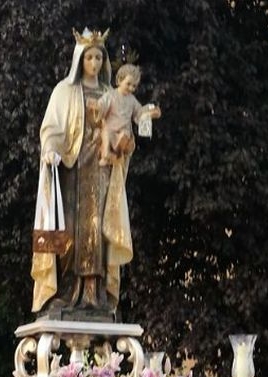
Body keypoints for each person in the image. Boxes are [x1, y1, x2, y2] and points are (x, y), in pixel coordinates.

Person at [31, 28, 134, 317]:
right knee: (70, 230)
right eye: (89, 57)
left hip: (100, 171)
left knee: (98, 230)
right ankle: (65, 292)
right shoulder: (64, 91)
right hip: (71, 170)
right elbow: (51, 127)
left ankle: (94, 292)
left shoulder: (111, 94)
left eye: (99, 57)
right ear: (80, 59)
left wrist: (124, 144)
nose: (95, 63)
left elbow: (122, 128)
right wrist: (51, 148)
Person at [96, 63, 161, 166]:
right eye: (128, 84)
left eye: (134, 86)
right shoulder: (111, 95)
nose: (131, 88)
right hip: (111, 129)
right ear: (119, 81)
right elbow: (102, 105)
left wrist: (149, 112)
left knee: (125, 137)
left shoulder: (132, 100)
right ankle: (106, 154)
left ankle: (117, 154)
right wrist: (97, 107)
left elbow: (138, 113)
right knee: (106, 132)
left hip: (123, 131)